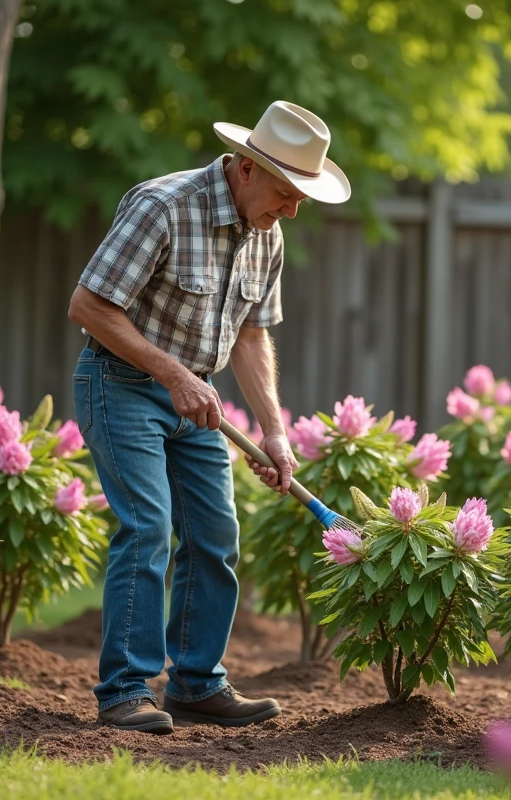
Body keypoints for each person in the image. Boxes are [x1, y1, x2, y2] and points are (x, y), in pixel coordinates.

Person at [66, 101, 351, 734]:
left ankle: (195, 685)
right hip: (122, 385)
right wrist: (172, 373)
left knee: (216, 537)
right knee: (147, 527)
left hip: (197, 401)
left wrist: (273, 432)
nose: (293, 209)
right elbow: (88, 306)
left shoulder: (266, 233)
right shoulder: (162, 206)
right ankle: (124, 690)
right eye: (286, 192)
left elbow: (251, 337)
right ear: (247, 169)